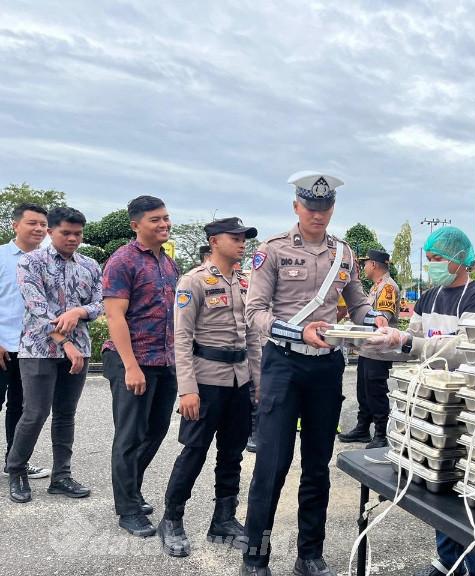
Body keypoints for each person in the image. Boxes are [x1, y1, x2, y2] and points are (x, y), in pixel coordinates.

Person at [240, 171, 386, 576]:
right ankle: (255, 556)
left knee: (318, 464)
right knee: (272, 464)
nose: (317, 215)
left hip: (326, 368)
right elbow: (255, 314)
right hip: (284, 363)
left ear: (332, 208)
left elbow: (358, 305)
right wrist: (299, 330)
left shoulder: (345, 253)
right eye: (310, 208)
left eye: (324, 209)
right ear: (296, 207)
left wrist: (377, 322)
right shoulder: (270, 251)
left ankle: (309, 553)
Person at [362, 226, 475, 576]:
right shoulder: (429, 297)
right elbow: (415, 338)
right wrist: (385, 341)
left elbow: (465, 349)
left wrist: (410, 344)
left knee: (469, 491)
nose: (433, 266)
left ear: (458, 259)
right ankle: (447, 558)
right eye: (430, 259)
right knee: (437, 482)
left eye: (438, 259)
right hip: (432, 405)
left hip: (470, 405)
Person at [157, 217, 260, 557]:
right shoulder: (194, 281)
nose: (242, 243)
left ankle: (223, 519)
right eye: (236, 238)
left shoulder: (246, 282)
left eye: (245, 238)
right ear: (215, 241)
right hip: (205, 381)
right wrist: (187, 389)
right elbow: (182, 338)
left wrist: (257, 382)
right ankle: (172, 519)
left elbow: (253, 337)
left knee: (231, 454)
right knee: (195, 451)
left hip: (239, 380)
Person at [7, 207, 102, 503]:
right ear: (51, 232)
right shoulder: (30, 262)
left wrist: (79, 311)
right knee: (34, 412)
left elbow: (100, 302)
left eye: (78, 233)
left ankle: (61, 476)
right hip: (38, 349)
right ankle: (16, 470)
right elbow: (35, 306)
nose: (73, 238)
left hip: (80, 349)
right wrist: (65, 341)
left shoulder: (89, 265)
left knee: (66, 414)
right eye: (66, 233)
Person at [102, 195, 179, 538]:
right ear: (136, 225)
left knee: (157, 430)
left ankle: (131, 488)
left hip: (164, 361)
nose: (163, 224)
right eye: (155, 220)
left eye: (165, 218)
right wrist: (131, 367)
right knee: (130, 436)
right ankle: (128, 509)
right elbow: (115, 317)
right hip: (131, 360)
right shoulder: (122, 261)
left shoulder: (169, 263)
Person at [0, 203, 51, 480]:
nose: (39, 229)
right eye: (32, 223)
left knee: (22, 409)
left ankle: (15, 462)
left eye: (43, 224)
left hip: (33, 349)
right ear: (15, 225)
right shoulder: (1, 257)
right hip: (3, 345)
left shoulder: (48, 260)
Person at [338, 248, 400, 449]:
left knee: (376, 390)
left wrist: (355, 329)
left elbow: (382, 320)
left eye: (366, 264)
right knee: (363, 389)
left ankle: (381, 434)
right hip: (368, 348)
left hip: (380, 350)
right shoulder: (376, 288)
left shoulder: (387, 288)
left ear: (373, 264)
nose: (364, 267)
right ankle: (363, 427)